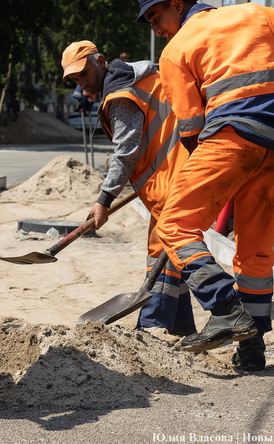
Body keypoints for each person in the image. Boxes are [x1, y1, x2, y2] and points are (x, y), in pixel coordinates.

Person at [136, 0, 274, 370]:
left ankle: (224, 308)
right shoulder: (252, 15)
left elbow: (189, 128)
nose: (155, 27)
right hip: (273, 143)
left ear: (178, 4)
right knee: (255, 249)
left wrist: (208, 170)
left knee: (174, 225)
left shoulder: (175, 52)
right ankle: (252, 350)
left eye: (156, 17)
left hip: (229, 138)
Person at [60, 40, 194, 336]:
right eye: (76, 79)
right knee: (170, 251)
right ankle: (182, 326)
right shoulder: (140, 78)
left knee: (164, 245)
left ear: (101, 61)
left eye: (84, 74)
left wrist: (104, 200)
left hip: (173, 179)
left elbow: (126, 152)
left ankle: (153, 325)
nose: (82, 83)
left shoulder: (121, 95)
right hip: (177, 173)